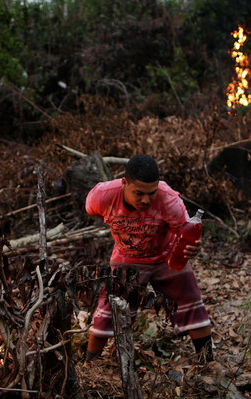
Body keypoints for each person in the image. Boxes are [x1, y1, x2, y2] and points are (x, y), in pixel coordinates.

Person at [84, 154, 214, 363]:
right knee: (107, 312)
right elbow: (93, 211)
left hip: (166, 257)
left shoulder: (169, 199)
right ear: (124, 183)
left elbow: (185, 234)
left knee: (192, 304)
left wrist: (191, 249)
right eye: (139, 193)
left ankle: (209, 361)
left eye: (151, 194)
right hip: (126, 257)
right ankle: (89, 364)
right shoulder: (103, 195)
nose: (145, 200)